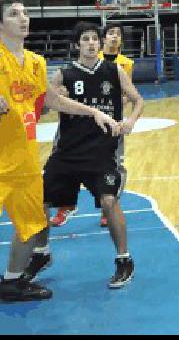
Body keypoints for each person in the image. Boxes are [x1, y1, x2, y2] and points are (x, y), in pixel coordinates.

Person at [0, 0, 120, 302]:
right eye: (14, 14)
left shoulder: (37, 63)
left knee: (31, 225)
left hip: (23, 160)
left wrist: (93, 112)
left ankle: (12, 283)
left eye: (25, 12)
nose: (24, 18)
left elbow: (50, 101)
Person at [23, 22, 144, 289]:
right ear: (76, 45)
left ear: (100, 44)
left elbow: (138, 99)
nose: (91, 43)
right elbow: (43, 108)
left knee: (109, 200)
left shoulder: (115, 71)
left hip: (102, 151)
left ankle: (124, 259)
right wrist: (50, 100)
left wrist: (131, 121)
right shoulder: (63, 74)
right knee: (40, 201)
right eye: (85, 39)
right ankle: (41, 252)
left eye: (94, 39)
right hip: (67, 151)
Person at [50, 23, 136, 228]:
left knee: (113, 167)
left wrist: (126, 116)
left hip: (107, 128)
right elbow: (47, 102)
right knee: (63, 166)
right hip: (74, 129)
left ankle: (109, 207)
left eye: (118, 34)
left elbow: (130, 95)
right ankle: (65, 205)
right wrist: (58, 96)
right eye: (110, 34)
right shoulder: (67, 72)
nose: (113, 37)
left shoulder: (123, 65)